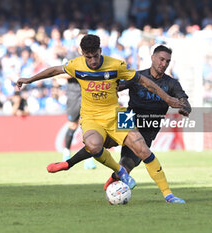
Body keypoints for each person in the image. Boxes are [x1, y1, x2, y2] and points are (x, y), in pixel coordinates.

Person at [16, 34, 187, 203]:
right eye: (88, 57)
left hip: (117, 113)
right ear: (82, 54)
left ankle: (168, 195)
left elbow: (144, 81)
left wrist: (167, 98)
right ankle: (119, 171)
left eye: (95, 56)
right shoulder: (76, 65)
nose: (92, 61)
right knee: (93, 146)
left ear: (100, 50)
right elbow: (54, 70)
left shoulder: (116, 65)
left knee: (143, 149)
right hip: (91, 117)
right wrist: (30, 80)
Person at [60, 45, 191, 191]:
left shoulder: (171, 83)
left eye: (167, 61)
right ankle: (69, 162)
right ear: (152, 58)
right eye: (161, 59)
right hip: (127, 119)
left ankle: (115, 178)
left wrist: (185, 107)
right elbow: (118, 85)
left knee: (128, 163)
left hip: (148, 127)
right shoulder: (137, 76)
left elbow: (184, 100)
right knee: (98, 143)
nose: (164, 64)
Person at [62, 75, 97, 169]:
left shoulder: (90, 60)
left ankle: (88, 159)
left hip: (87, 95)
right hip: (73, 96)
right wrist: (76, 72)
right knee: (72, 126)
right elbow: (59, 75)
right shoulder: (69, 60)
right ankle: (66, 153)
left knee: (88, 125)